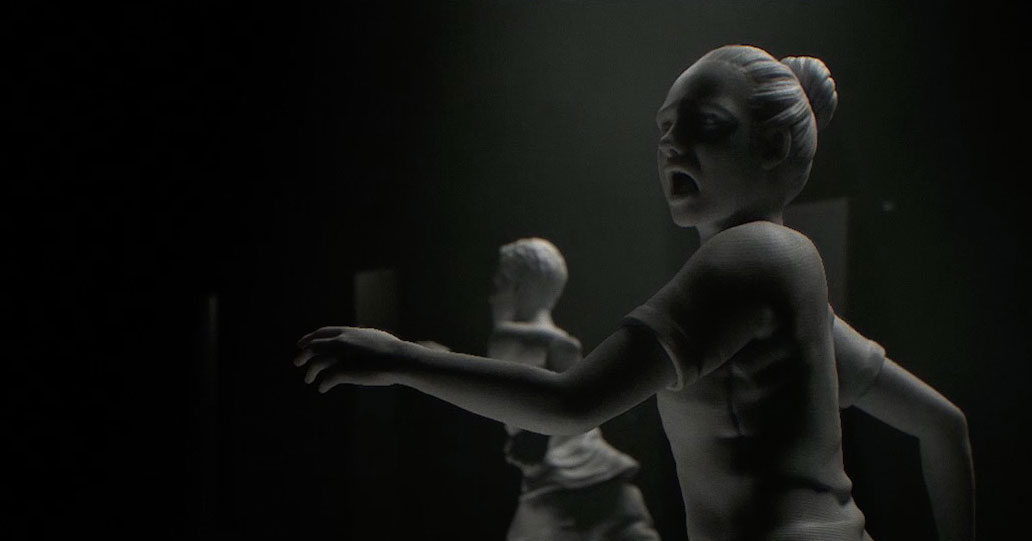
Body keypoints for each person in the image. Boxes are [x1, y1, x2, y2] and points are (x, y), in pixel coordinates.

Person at [295, 44, 974, 540]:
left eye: (706, 124)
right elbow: (942, 424)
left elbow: (571, 402)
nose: (672, 145)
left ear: (773, 146)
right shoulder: (792, 285)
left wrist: (399, 358)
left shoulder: (752, 257)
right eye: (664, 129)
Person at [471, 237, 660, 540]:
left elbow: (525, 399)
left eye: (500, 283)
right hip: (597, 488)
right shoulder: (559, 342)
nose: (492, 296)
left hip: (565, 489)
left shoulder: (513, 339)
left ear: (522, 288)